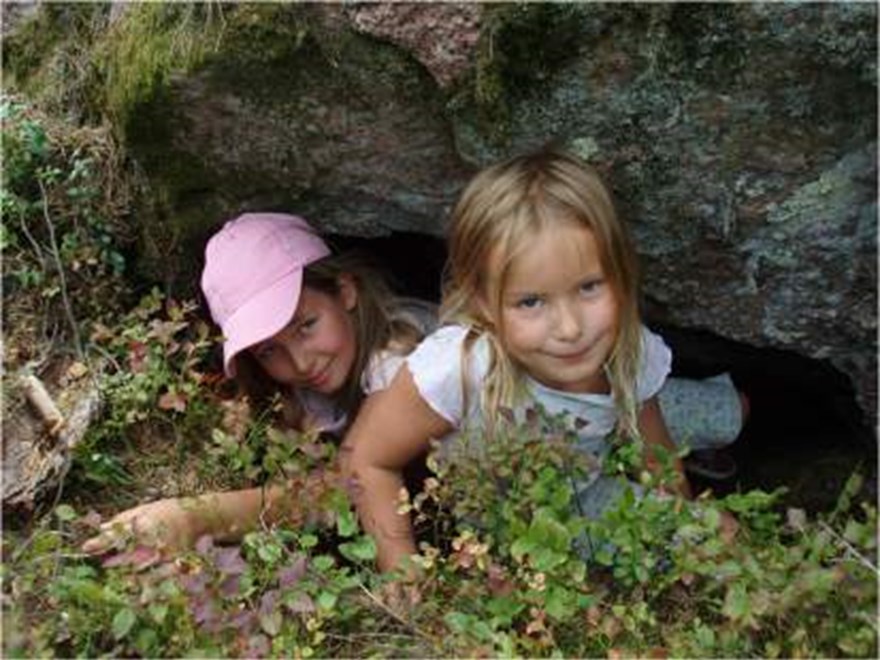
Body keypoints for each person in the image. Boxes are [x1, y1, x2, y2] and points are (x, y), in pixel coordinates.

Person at [343, 148, 746, 573]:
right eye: (531, 301)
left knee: (733, 410)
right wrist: (404, 576)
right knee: (723, 535)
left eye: (589, 287)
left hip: (598, 438)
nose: (570, 328)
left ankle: (705, 438)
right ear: (483, 301)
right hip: (554, 505)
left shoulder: (628, 346)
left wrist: (676, 521)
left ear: (621, 273)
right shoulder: (461, 367)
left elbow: (656, 455)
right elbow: (368, 457)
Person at [83, 212, 435, 555]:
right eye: (268, 350)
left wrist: (196, 517)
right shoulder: (316, 375)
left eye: (306, 325)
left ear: (344, 291)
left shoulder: (401, 357)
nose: (300, 362)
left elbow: (349, 484)